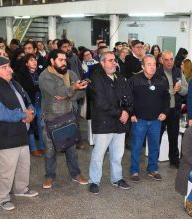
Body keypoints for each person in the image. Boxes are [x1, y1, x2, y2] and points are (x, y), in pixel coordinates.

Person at [0, 56, 38, 211]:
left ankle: (21, 189)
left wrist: (31, 111)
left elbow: (28, 100)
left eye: (9, 66)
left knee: (23, 165)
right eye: (5, 67)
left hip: (20, 133)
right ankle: (2, 197)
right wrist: (23, 115)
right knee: (6, 170)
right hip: (5, 137)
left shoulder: (14, 84)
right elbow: (1, 114)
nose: (11, 70)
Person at [38, 49, 89, 189]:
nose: (63, 63)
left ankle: (76, 174)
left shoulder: (71, 74)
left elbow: (81, 92)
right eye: (60, 60)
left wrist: (69, 93)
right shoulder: (44, 76)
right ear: (52, 61)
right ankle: (49, 176)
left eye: (65, 60)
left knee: (71, 148)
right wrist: (72, 89)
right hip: (50, 119)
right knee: (50, 151)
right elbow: (57, 92)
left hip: (69, 117)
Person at [87, 51, 132, 194]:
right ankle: (94, 181)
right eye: (110, 60)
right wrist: (120, 113)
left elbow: (129, 97)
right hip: (104, 123)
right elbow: (100, 102)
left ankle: (117, 178)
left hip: (120, 123)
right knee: (98, 155)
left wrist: (127, 112)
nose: (114, 63)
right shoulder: (96, 78)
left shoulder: (120, 77)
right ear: (102, 63)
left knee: (118, 154)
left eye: (115, 60)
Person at [129, 55, 170, 182]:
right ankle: (134, 171)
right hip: (139, 119)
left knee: (154, 146)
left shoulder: (162, 80)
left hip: (156, 120)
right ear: (142, 66)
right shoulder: (134, 80)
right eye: (149, 64)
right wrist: (131, 114)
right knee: (136, 146)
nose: (152, 67)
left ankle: (152, 169)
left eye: (154, 64)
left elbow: (166, 98)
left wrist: (165, 112)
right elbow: (128, 98)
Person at [158, 50, 188, 168]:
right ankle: (153, 161)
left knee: (174, 136)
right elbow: (157, 93)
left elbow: (186, 90)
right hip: (161, 111)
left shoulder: (178, 72)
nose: (169, 62)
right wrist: (171, 91)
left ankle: (174, 160)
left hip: (175, 110)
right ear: (161, 60)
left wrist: (180, 89)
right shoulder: (157, 73)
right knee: (157, 137)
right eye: (166, 59)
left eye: (171, 59)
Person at [15, 53, 45, 157]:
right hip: (29, 103)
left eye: (35, 59)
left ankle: (42, 146)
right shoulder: (21, 74)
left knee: (41, 125)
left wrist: (38, 86)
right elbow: (28, 88)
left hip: (39, 102)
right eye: (31, 60)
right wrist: (40, 85)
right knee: (30, 125)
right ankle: (33, 148)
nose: (35, 61)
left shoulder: (39, 72)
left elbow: (38, 86)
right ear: (26, 63)